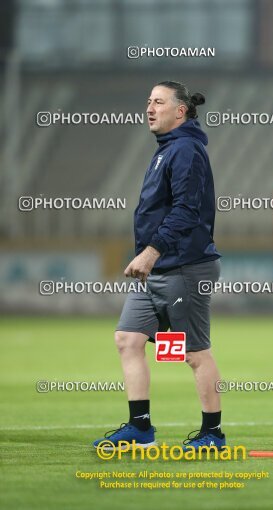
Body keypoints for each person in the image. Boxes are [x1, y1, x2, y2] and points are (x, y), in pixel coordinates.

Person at [94, 81, 225, 451]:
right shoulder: (166, 150)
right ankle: (140, 428)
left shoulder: (185, 150)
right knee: (128, 339)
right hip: (159, 270)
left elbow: (187, 209)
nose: (149, 108)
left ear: (180, 111)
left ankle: (212, 434)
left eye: (159, 102)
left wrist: (150, 252)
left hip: (184, 267)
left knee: (192, 352)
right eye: (148, 101)